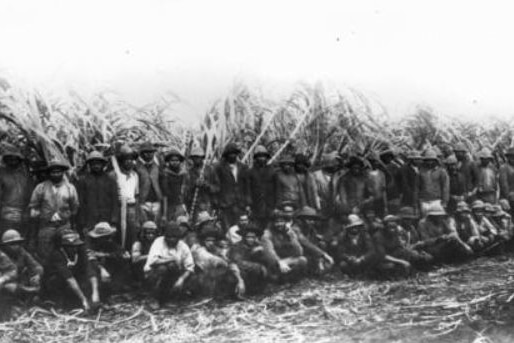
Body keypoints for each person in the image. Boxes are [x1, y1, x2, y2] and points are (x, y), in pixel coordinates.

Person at [29, 159, 79, 262]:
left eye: (58, 172)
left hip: (64, 225)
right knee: (45, 252)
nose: (56, 174)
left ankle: (66, 274)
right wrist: (38, 217)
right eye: (53, 172)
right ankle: (48, 275)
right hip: (46, 225)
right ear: (49, 173)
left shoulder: (70, 188)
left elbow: (74, 206)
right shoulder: (41, 187)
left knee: (68, 250)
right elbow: (34, 206)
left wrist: (69, 221)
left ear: (62, 172)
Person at [42, 230, 100, 311]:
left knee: (93, 271)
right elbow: (69, 278)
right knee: (55, 281)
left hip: (74, 277)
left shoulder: (80, 249)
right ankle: (58, 303)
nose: (74, 248)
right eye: (70, 246)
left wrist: (95, 292)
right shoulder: (56, 254)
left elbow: (89, 268)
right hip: (59, 280)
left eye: (76, 245)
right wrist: (83, 299)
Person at [144, 222, 195, 309]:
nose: (171, 239)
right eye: (169, 237)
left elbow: (190, 267)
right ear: (165, 237)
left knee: (178, 270)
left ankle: (170, 298)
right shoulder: (158, 242)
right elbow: (153, 261)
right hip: (154, 273)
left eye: (174, 237)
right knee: (164, 268)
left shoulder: (183, 246)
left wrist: (181, 279)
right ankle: (153, 297)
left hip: (174, 274)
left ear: (178, 238)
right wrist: (171, 259)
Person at [75, 151, 118, 234]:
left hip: (106, 219)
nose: (96, 166)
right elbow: (81, 202)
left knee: (106, 243)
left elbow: (115, 201)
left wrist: (114, 220)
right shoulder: (83, 180)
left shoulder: (110, 180)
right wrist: (83, 223)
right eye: (93, 164)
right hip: (90, 220)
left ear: (103, 164)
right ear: (89, 165)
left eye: (98, 163)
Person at [260, 210, 308, 281]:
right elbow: (270, 252)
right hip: (274, 262)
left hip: (287, 260)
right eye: (277, 222)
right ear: (273, 223)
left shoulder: (289, 232)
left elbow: (299, 252)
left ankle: (288, 278)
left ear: (285, 222)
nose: (279, 224)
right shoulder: (267, 234)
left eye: (281, 221)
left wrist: (291, 236)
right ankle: (277, 278)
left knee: (302, 260)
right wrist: (279, 261)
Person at [212, 143, 249, 230]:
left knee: (240, 228)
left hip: (240, 203)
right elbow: (216, 185)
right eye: (230, 153)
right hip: (225, 204)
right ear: (226, 155)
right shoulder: (218, 167)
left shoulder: (243, 167)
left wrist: (247, 202)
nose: (232, 156)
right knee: (227, 228)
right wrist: (217, 204)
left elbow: (246, 186)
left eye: (234, 153)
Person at [86, 222, 131, 293]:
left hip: (111, 271)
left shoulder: (112, 244)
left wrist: (105, 255)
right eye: (102, 237)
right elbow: (91, 259)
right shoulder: (91, 246)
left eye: (107, 237)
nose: (107, 239)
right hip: (97, 273)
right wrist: (101, 268)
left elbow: (124, 254)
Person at [110, 145, 140, 250]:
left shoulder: (135, 175)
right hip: (118, 207)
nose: (129, 162)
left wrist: (137, 214)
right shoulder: (114, 175)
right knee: (118, 232)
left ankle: (131, 256)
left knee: (131, 233)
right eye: (126, 159)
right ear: (121, 161)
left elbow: (136, 196)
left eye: (131, 159)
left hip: (131, 208)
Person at [0, 146, 33, 236]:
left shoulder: (25, 175)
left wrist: (26, 211)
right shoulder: (2, 173)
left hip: (23, 213)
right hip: (6, 213)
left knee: (20, 239)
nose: (12, 161)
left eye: (15, 159)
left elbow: (30, 195)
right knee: (7, 238)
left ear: (19, 161)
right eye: (10, 159)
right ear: (6, 161)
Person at [228, 223, 269, 296]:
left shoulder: (258, 245)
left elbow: (267, 260)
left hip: (255, 275)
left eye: (253, 237)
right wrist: (258, 266)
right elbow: (237, 263)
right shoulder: (237, 247)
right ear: (243, 237)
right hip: (239, 274)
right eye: (248, 237)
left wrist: (262, 252)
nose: (251, 239)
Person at [0, 229, 43, 297]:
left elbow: (36, 266)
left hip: (20, 283)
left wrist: (37, 275)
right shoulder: (1, 255)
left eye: (18, 243)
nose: (16, 246)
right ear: (5, 245)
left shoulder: (22, 252)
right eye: (12, 244)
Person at [292, 206, 334, 274]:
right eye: (308, 219)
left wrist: (320, 259)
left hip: (309, 253)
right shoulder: (295, 228)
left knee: (322, 245)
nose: (311, 222)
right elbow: (305, 242)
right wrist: (323, 254)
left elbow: (315, 242)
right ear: (302, 219)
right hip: (296, 254)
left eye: (313, 219)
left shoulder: (311, 229)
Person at [246, 145, 275, 228]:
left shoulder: (272, 171)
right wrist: (249, 204)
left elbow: (277, 189)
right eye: (259, 156)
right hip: (256, 204)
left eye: (264, 156)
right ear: (256, 158)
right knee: (257, 226)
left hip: (270, 204)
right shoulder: (250, 172)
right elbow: (248, 189)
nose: (262, 159)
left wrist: (277, 205)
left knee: (270, 226)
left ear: (267, 158)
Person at [184, 147, 216, 220]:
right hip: (194, 205)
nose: (197, 159)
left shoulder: (210, 170)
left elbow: (217, 188)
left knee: (207, 225)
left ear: (202, 158)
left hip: (207, 204)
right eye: (194, 157)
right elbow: (185, 191)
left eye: (199, 157)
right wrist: (194, 184)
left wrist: (205, 184)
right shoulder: (189, 172)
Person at [136, 142, 163, 223]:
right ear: (141, 153)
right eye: (146, 152)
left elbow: (161, 182)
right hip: (143, 201)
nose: (149, 155)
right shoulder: (137, 166)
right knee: (144, 225)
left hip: (156, 201)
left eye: (151, 152)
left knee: (156, 225)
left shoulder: (156, 166)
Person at [419, 149, 449, 215]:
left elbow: (445, 187)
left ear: (435, 160)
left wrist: (444, 202)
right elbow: (417, 186)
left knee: (437, 218)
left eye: (431, 160)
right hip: (424, 200)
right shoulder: (421, 171)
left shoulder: (441, 171)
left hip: (437, 200)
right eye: (428, 160)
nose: (429, 162)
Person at [160, 148, 188, 221]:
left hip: (180, 203)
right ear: (168, 162)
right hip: (169, 203)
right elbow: (164, 193)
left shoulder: (183, 174)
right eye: (172, 160)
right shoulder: (165, 174)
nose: (175, 162)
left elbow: (186, 188)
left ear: (180, 161)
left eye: (177, 160)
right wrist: (164, 213)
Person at [380, 149, 402, 214]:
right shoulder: (381, 168)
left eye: (389, 157)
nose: (388, 158)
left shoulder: (395, 166)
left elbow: (399, 179)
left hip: (394, 192)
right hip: (385, 193)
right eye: (386, 157)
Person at [499, 147, 514, 215]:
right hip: (509, 197)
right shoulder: (504, 167)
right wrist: (508, 195)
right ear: (508, 157)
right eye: (512, 157)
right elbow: (504, 185)